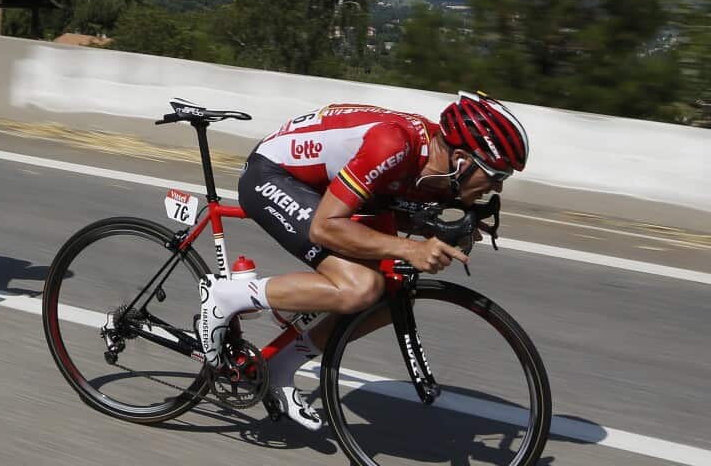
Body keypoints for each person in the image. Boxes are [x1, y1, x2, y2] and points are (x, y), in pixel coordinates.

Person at [198, 92, 528, 431]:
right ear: (461, 159)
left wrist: (446, 230)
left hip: (323, 186)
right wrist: (411, 249)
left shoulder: (440, 170)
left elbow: (401, 212)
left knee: (389, 297)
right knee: (360, 287)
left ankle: (281, 366)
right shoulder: (393, 146)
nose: (497, 188)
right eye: (495, 175)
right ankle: (228, 296)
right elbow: (325, 227)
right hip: (274, 174)